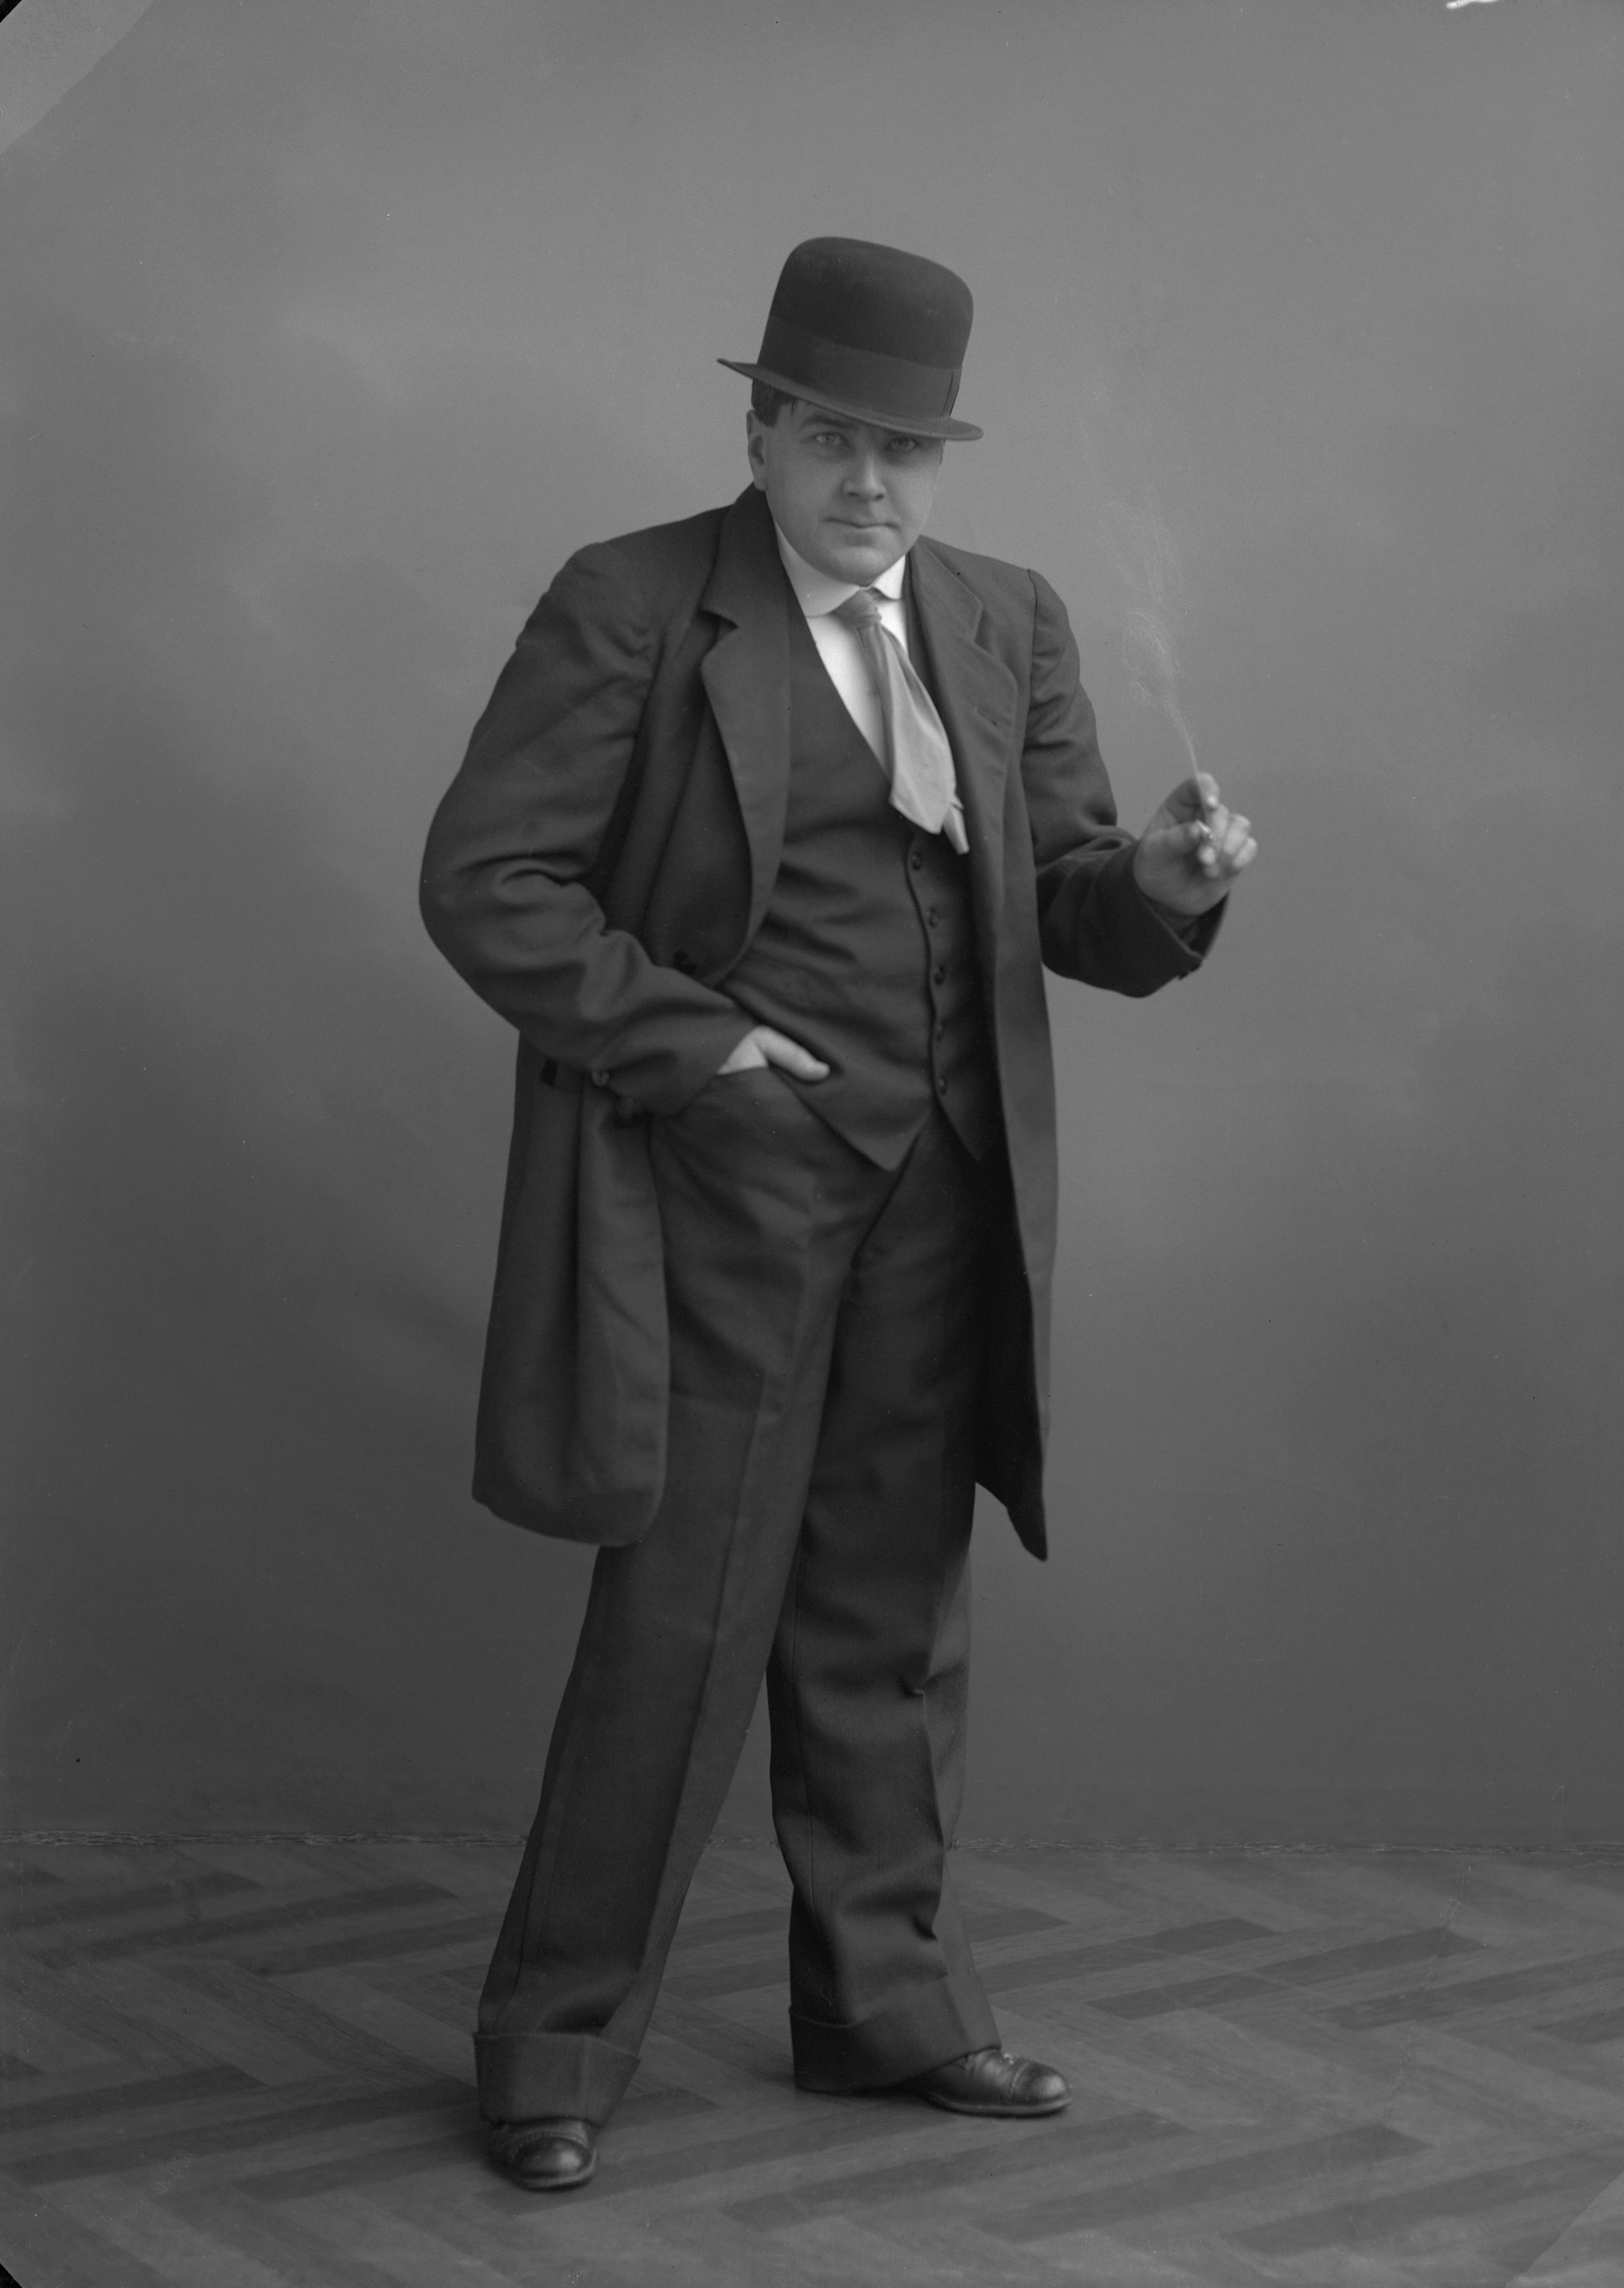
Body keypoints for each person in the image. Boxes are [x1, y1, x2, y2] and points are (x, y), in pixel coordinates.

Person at [419, 236, 1255, 2193]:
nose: (870, 480)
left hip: (946, 1193)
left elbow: (1068, 894)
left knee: (890, 1624)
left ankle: (891, 2011)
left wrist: (1167, 883)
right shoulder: (633, 603)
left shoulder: (1006, 619)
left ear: (941, 457)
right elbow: (489, 879)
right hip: (729, 1193)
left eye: (907, 447)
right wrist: (698, 1050)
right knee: (681, 1623)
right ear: (762, 433)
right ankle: (553, 2049)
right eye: (830, 438)